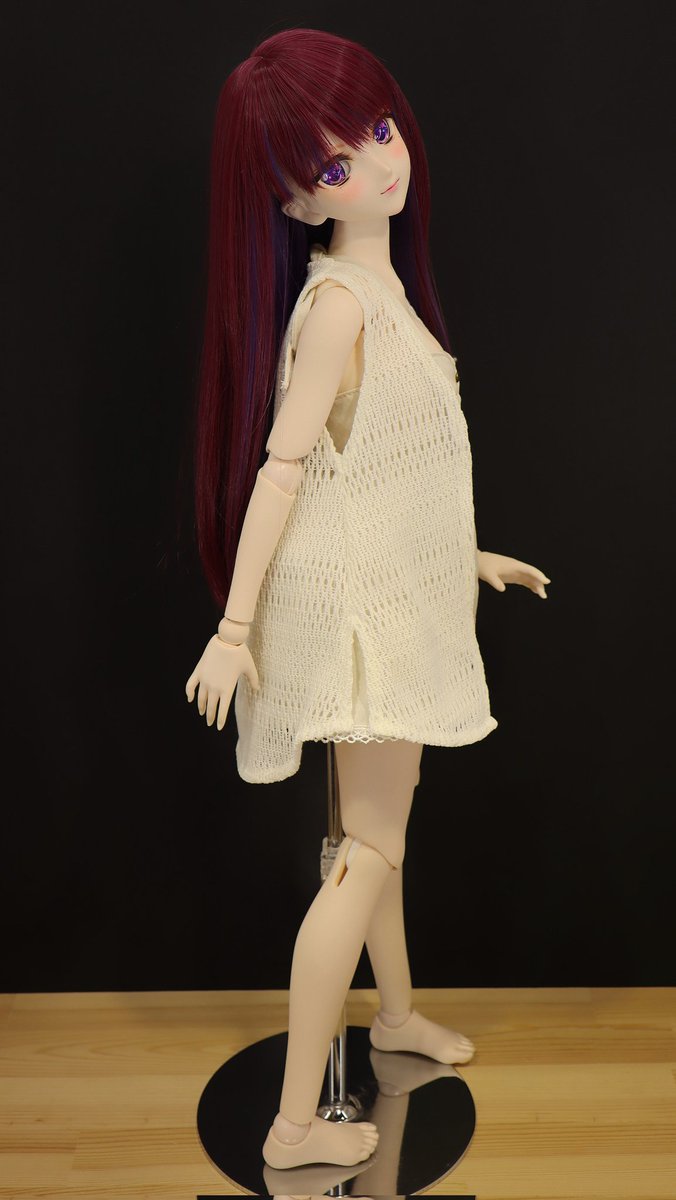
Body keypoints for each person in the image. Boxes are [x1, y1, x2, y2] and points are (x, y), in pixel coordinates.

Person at [185, 27, 550, 1170]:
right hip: (360, 627)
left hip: (392, 599)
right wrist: (233, 627)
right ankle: (295, 1123)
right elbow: (283, 470)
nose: (379, 164)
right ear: (295, 202)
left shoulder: (376, 287)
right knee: (370, 851)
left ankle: (392, 1020)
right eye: (336, 165)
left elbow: (379, 470)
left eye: (379, 130)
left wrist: (463, 556)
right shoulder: (340, 303)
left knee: (371, 836)